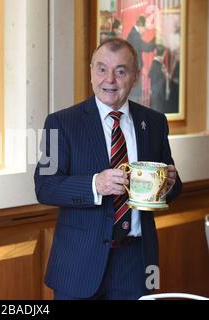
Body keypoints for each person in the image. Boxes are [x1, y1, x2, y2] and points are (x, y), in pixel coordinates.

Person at [34, 38, 182, 300]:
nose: (109, 80)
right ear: (91, 72)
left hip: (138, 262)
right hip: (79, 264)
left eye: (120, 71)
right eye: (102, 69)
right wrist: (95, 185)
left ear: (135, 76)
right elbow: (45, 187)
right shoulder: (60, 122)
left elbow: (173, 187)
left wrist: (169, 184)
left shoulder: (155, 122)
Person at [126, 15, 156, 103]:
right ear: (141, 26)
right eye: (145, 29)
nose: (145, 31)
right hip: (134, 71)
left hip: (133, 70)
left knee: (135, 94)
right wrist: (156, 39)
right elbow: (147, 47)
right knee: (135, 96)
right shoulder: (135, 35)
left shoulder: (133, 34)